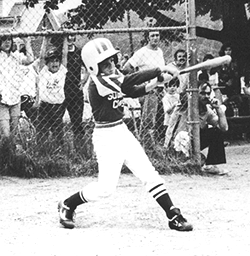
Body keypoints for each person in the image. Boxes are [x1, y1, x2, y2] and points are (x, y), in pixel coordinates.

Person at [57, 37, 193, 232]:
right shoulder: (98, 83)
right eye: (105, 63)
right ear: (93, 67)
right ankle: (68, 204)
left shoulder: (112, 75)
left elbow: (131, 91)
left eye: (112, 60)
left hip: (121, 131)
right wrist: (158, 70)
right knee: (106, 189)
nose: (111, 65)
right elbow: (128, 82)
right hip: (105, 137)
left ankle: (173, 215)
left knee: (149, 174)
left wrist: (157, 82)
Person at [164, 81, 229, 175]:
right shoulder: (186, 103)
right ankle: (185, 160)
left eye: (208, 93)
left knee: (216, 132)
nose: (206, 96)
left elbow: (224, 128)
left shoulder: (206, 109)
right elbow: (183, 95)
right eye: (202, 93)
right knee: (183, 136)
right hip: (177, 142)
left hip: (192, 142)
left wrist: (219, 109)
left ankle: (209, 165)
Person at [123, 30, 165, 146]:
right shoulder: (142, 52)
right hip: (148, 89)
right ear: (148, 38)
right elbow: (127, 68)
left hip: (160, 89)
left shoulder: (160, 51)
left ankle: (154, 142)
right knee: (148, 119)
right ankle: (146, 145)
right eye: (152, 36)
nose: (155, 38)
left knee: (159, 118)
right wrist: (138, 81)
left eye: (157, 35)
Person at [0, 31, 34, 145]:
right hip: (2, 100)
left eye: (9, 39)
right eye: (4, 39)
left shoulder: (15, 56)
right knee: (5, 133)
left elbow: (30, 60)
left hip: (15, 98)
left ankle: (12, 157)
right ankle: (4, 157)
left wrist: (27, 42)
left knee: (14, 133)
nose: (7, 42)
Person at [35, 35, 68, 147]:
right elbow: (41, 57)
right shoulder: (44, 72)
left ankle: (59, 151)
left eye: (56, 61)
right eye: (51, 61)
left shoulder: (62, 71)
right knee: (42, 131)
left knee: (58, 132)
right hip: (45, 106)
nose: (54, 63)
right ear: (47, 63)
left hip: (58, 106)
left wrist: (65, 39)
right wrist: (45, 39)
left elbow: (65, 56)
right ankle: (41, 150)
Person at [62, 35, 86, 151]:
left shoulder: (79, 52)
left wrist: (84, 81)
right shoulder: (59, 51)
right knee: (56, 122)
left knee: (77, 121)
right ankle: (60, 150)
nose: (70, 38)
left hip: (75, 90)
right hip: (61, 90)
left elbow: (89, 68)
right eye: (67, 36)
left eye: (72, 35)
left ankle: (80, 150)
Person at [161, 77, 180, 143]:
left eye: (174, 86)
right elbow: (167, 111)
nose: (172, 88)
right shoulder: (165, 98)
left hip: (177, 118)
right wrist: (174, 105)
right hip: (169, 119)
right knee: (168, 135)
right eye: (170, 86)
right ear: (166, 88)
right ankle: (166, 145)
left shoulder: (178, 96)